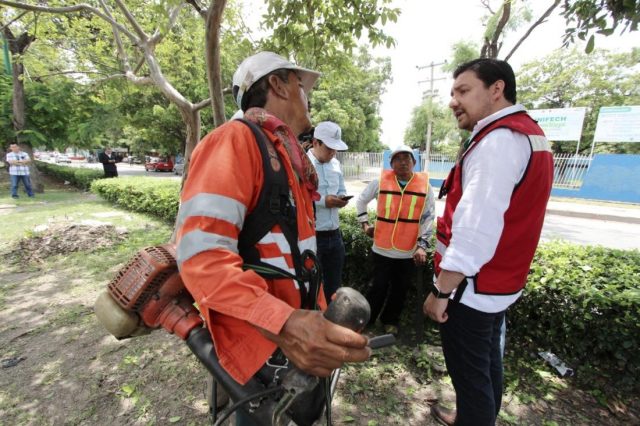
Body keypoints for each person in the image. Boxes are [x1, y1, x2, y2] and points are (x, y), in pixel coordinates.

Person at [175, 51, 370, 425]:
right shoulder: (234, 141)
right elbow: (202, 259)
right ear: (278, 85)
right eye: (301, 85)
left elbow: (297, 254)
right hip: (258, 352)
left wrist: (318, 318)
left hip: (292, 347)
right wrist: (286, 324)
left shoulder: (289, 158)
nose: (307, 96)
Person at [424, 58, 554, 426]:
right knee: (487, 365)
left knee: (471, 377)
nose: (453, 101)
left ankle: (474, 417)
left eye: (463, 91)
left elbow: (475, 228)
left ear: (497, 89)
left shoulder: (497, 141)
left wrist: (441, 291)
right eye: (452, 93)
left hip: (471, 289)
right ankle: (474, 416)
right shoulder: (528, 134)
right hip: (498, 284)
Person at [356, 145, 435, 335]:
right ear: (391, 164)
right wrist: (364, 224)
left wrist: (422, 246)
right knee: (377, 288)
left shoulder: (425, 187)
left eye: (406, 158)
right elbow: (361, 200)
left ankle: (390, 321)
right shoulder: (380, 182)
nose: (402, 162)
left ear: (414, 163)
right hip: (381, 249)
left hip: (407, 251)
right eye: (397, 159)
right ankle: (367, 321)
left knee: (400, 290)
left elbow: (428, 217)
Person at [307, 121, 349, 301]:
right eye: (330, 148)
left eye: (335, 149)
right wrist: (325, 201)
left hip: (335, 235)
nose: (333, 152)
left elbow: (341, 188)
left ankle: (332, 321)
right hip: (312, 235)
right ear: (315, 142)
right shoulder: (302, 164)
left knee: (334, 284)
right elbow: (298, 199)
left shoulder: (335, 164)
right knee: (312, 282)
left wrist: (342, 198)